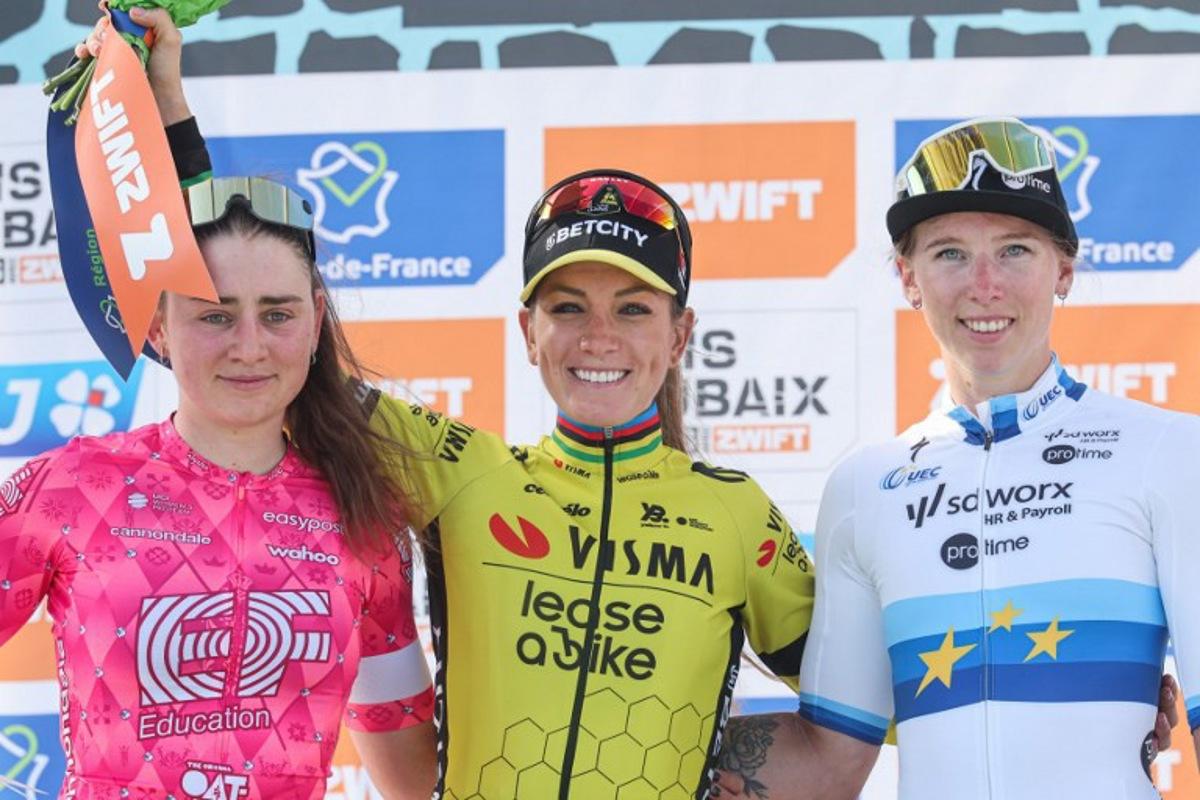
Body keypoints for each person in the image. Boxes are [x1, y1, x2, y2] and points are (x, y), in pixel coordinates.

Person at [712, 117, 1199, 800]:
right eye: (949, 254)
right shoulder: (864, 488)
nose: (984, 284)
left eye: (1015, 250)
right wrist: (642, 735)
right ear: (908, 278)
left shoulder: (1168, 451)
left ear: (1064, 269)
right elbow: (827, 761)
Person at [2, 51, 437, 795]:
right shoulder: (72, 487)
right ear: (160, 328)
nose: (249, 346)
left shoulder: (363, 514)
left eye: (278, 315)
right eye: (214, 315)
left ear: (315, 323)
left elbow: (411, 777)